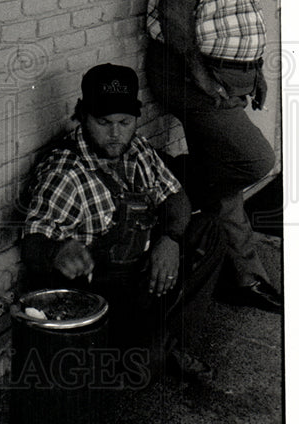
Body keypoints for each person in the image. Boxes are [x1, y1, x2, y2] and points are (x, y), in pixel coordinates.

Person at [22, 64, 223, 381]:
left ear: (135, 119)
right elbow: (33, 240)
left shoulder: (139, 149)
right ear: (84, 116)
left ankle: (172, 341)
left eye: (124, 123)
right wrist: (56, 252)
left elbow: (176, 198)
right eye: (103, 123)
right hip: (106, 294)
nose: (115, 134)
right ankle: (156, 347)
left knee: (209, 230)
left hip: (146, 272)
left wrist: (169, 240)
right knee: (143, 369)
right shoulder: (64, 172)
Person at [145, 0, 281, 313]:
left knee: (227, 190)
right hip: (194, 80)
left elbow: (228, 18)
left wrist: (254, 69)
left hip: (224, 78)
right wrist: (201, 76)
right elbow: (175, 15)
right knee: (256, 160)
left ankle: (243, 276)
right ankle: (173, 191)